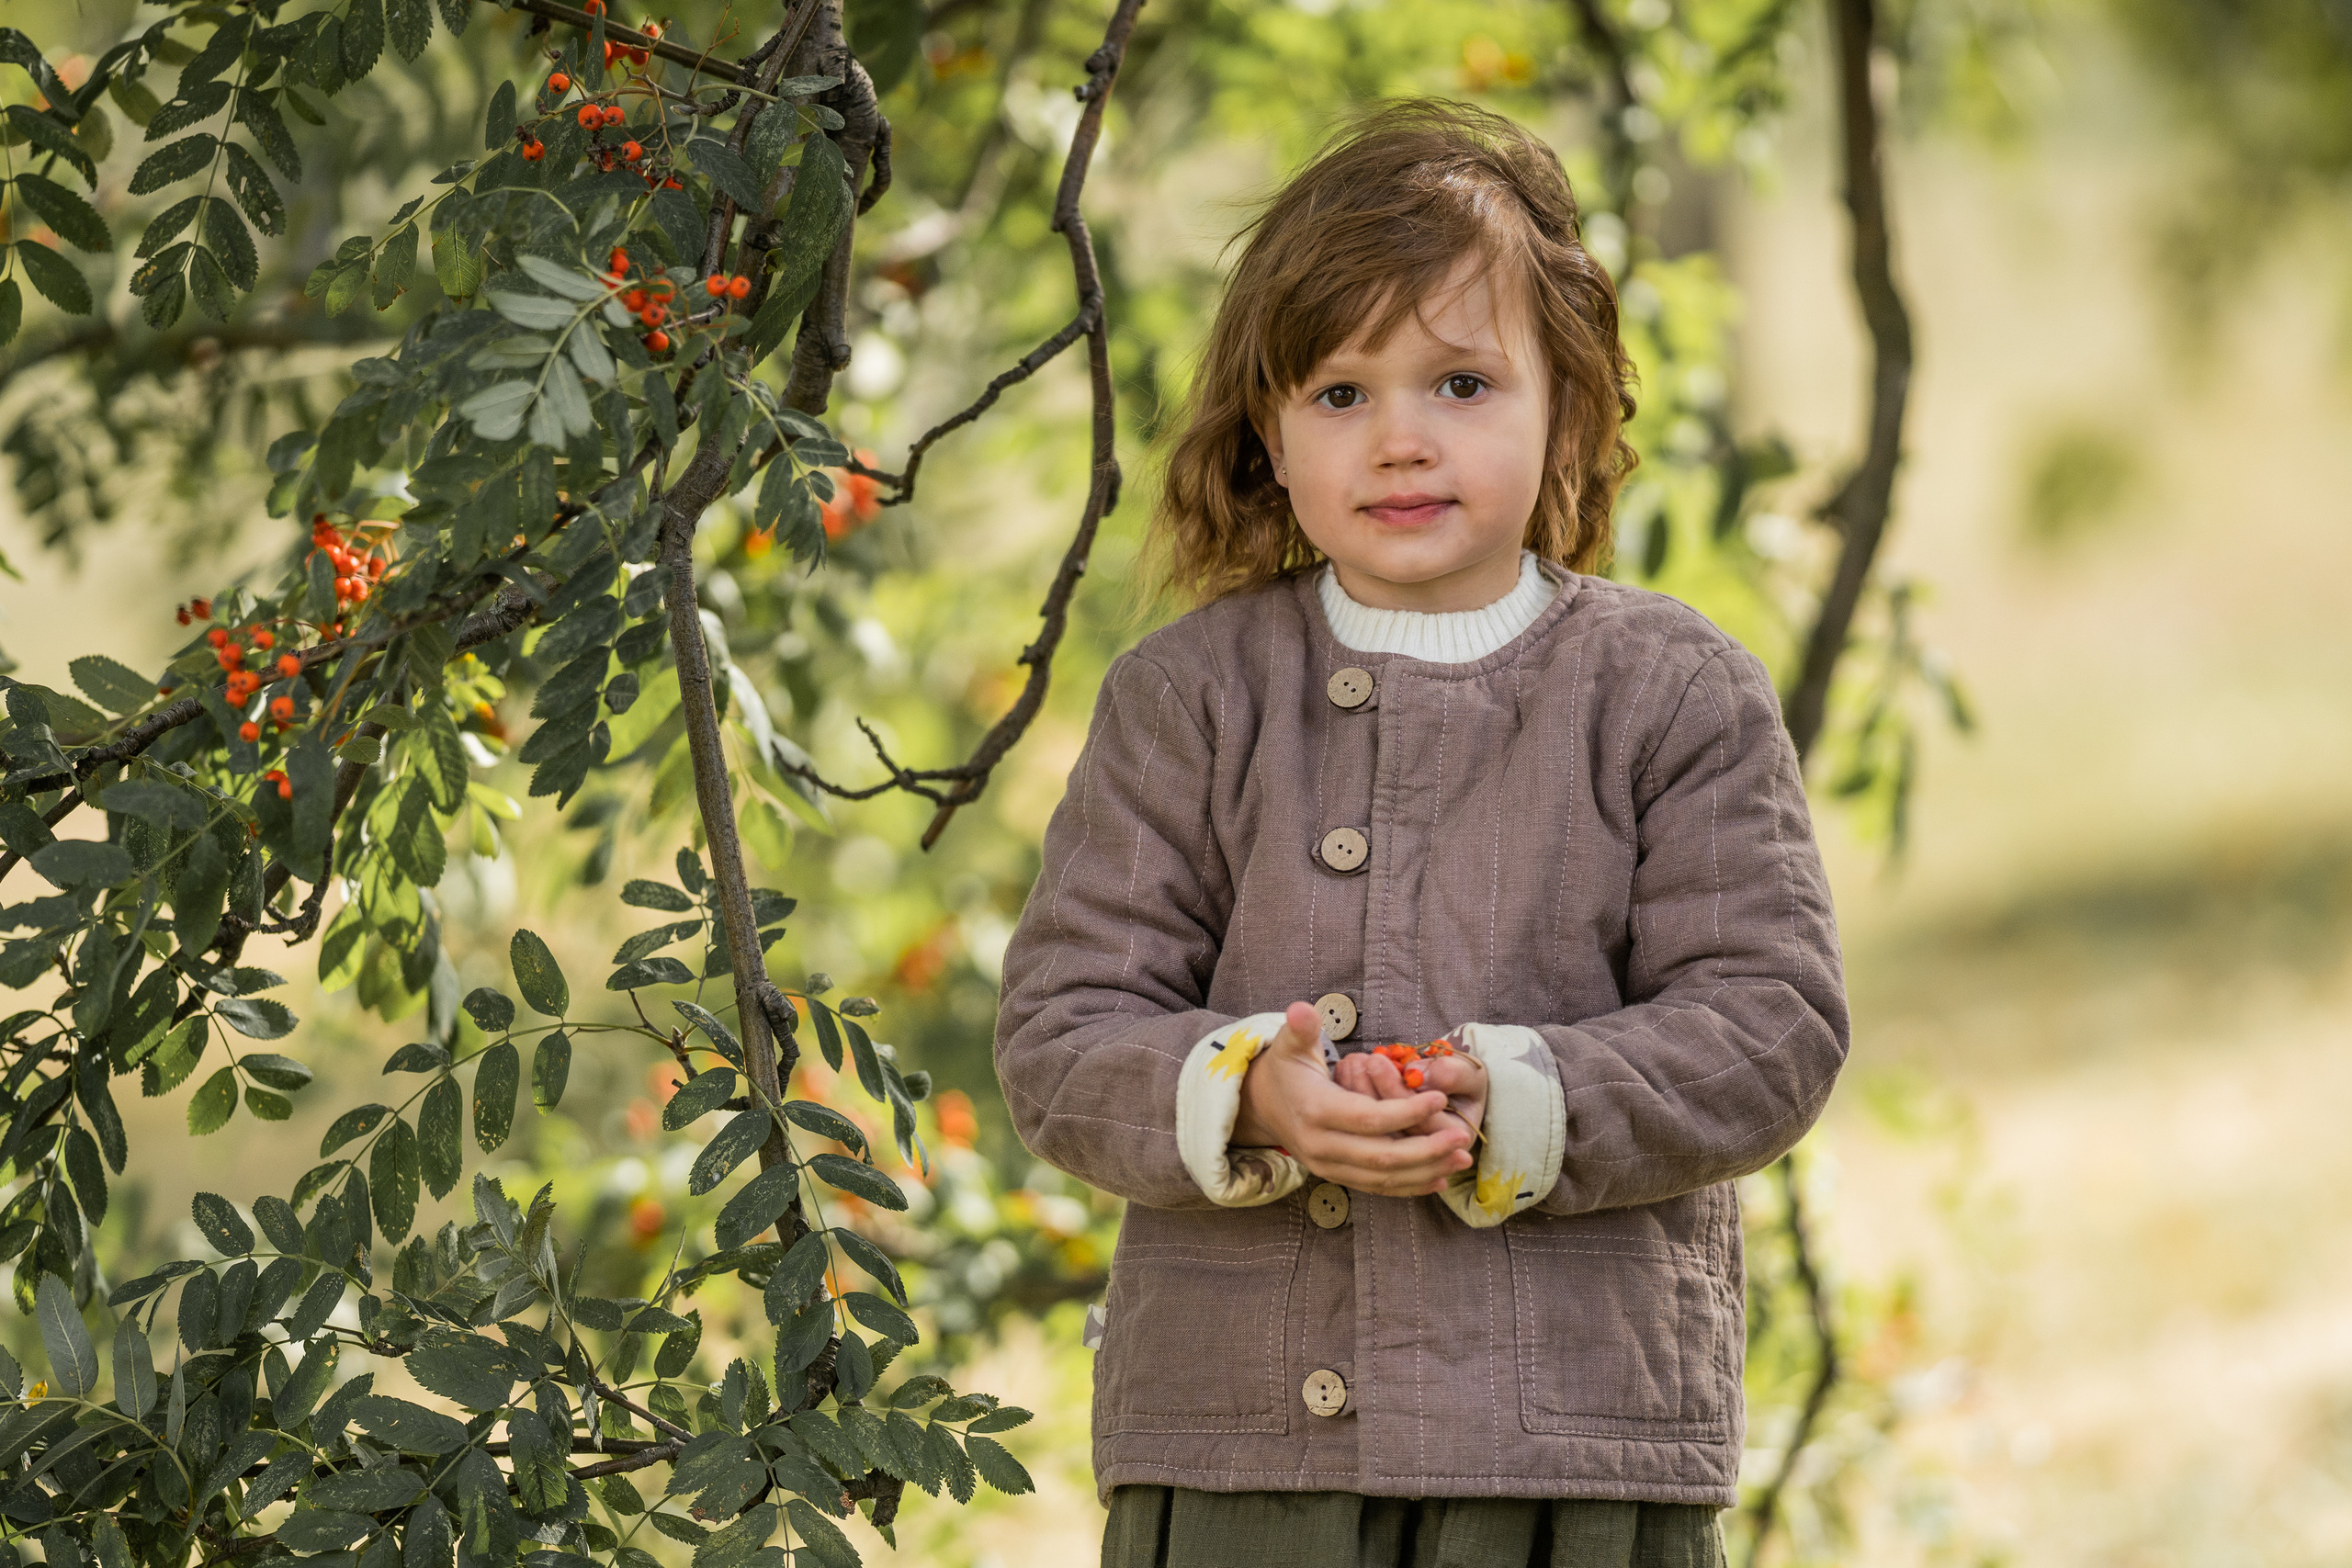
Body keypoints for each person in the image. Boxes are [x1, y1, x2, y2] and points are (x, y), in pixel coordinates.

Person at [993, 98, 1849, 1568]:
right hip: (1241, 1456)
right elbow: (1065, 1028)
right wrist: (1250, 1094)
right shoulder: (1188, 701)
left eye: (1461, 383)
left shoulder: (1670, 692)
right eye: (1339, 395)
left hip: (1571, 1450)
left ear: (1567, 408)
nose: (1399, 440)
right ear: (1268, 432)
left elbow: (1770, 1024)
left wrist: (1523, 1095)